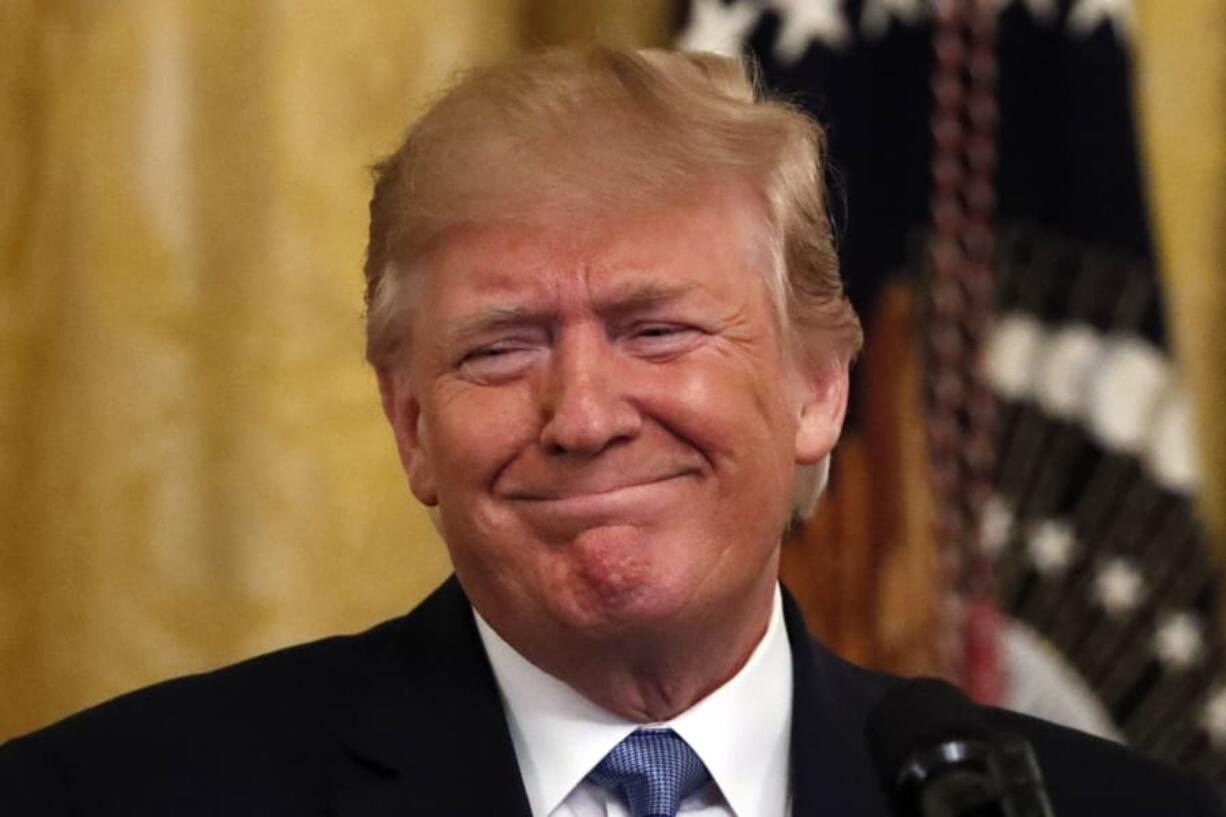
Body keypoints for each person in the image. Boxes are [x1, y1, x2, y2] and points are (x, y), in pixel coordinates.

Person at [0, 47, 1220, 817]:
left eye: (657, 330)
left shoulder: (1092, 807)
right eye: (500, 346)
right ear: (409, 424)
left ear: (816, 392)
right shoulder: (104, 794)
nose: (581, 417)